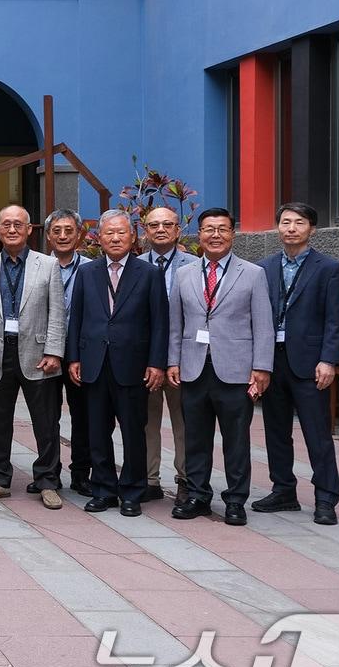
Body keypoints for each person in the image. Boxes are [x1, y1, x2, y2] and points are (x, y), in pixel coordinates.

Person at [168, 208, 273, 526]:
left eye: (222, 229)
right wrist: (173, 360)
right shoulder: (184, 274)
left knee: (236, 439)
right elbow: (176, 323)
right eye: (208, 229)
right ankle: (198, 495)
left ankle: (236, 500)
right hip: (194, 367)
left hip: (236, 370)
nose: (215, 235)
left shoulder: (252, 273)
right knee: (195, 437)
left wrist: (262, 368)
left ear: (232, 234)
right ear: (198, 235)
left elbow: (264, 325)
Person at [67, 210, 167, 517]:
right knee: (97, 431)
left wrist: (156, 363)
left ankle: (132, 492)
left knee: (133, 432)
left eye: (121, 233)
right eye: (108, 233)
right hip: (95, 363)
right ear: (99, 237)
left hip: (133, 365)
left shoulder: (148, 273)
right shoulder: (87, 272)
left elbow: (160, 323)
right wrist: (74, 357)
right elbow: (77, 319)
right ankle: (104, 489)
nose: (115, 238)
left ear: (133, 237)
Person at [253, 203, 339, 526]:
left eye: (299, 222)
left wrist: (328, 360)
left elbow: (335, 320)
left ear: (312, 229)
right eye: (285, 222)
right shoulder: (263, 268)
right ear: (278, 227)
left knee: (316, 433)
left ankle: (326, 498)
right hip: (272, 361)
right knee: (276, 430)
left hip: (310, 363)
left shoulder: (329, 268)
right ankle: (283, 490)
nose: (291, 228)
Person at [0, 208, 67, 508]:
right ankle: (0, 479)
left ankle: (47, 480)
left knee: (46, 421)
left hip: (39, 354)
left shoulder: (48, 265)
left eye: (18, 224)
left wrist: (54, 351)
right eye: (6, 225)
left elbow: (57, 312)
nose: (12, 229)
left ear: (29, 230)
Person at [139, 206, 197, 504]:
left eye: (167, 225)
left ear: (178, 230)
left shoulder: (197, 266)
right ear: (144, 230)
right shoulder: (133, 265)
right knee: (146, 421)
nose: (160, 229)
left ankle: (186, 478)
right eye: (153, 225)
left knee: (183, 422)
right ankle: (149, 480)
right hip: (144, 360)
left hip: (184, 360)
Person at [46, 209, 92, 495]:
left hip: (81, 354)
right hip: (46, 353)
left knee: (83, 416)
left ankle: (81, 473)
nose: (63, 236)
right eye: (57, 231)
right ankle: (49, 472)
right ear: (48, 235)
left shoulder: (91, 268)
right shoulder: (36, 266)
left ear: (79, 234)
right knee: (47, 416)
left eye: (68, 230)